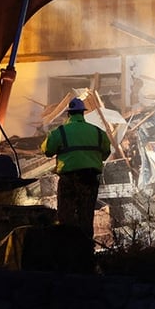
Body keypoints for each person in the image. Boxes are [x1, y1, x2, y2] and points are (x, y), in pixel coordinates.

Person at [41, 97, 111, 239]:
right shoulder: (98, 132)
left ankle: (68, 251)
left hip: (69, 180)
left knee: (66, 217)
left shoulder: (59, 132)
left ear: (69, 114)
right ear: (83, 113)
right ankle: (85, 252)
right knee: (86, 216)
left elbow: (47, 150)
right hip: (89, 180)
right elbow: (105, 153)